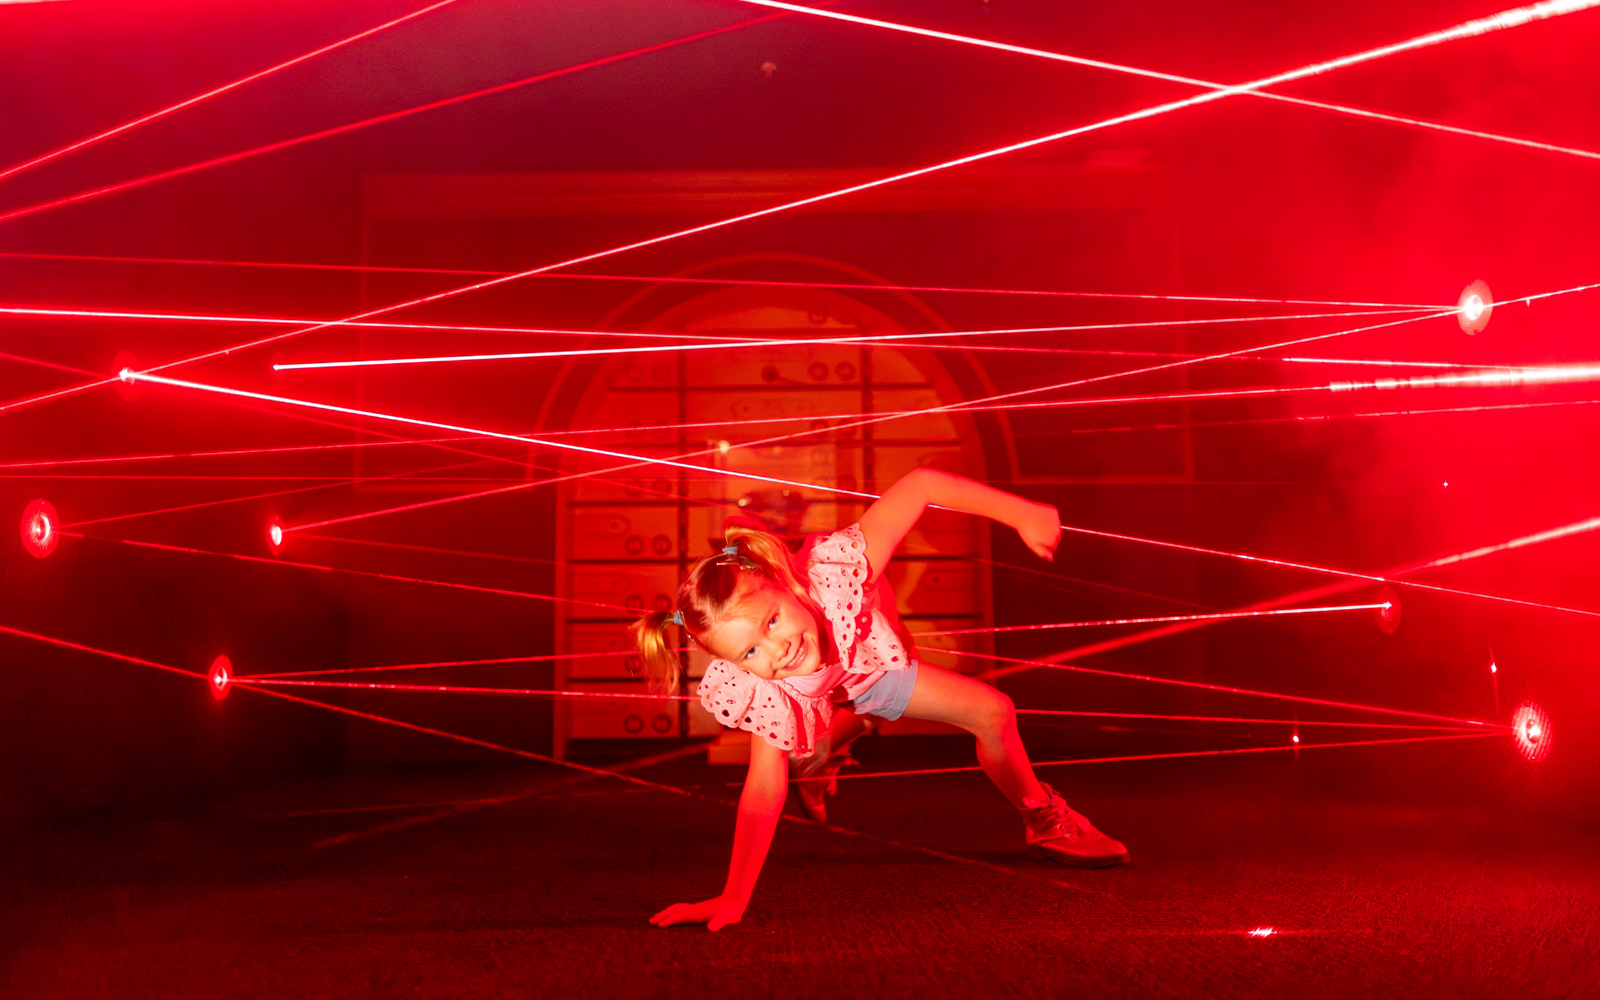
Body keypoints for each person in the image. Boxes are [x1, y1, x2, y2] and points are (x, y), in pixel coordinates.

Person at [631, 468, 1129, 931]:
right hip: (848, 687)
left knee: (937, 707)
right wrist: (732, 897)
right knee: (989, 710)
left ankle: (822, 756)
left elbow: (922, 484)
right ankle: (1042, 821)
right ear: (739, 668)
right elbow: (763, 793)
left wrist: (1018, 512)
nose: (778, 648)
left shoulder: (837, 573)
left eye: (773, 621)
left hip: (867, 663)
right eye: (752, 651)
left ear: (787, 585)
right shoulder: (770, 685)